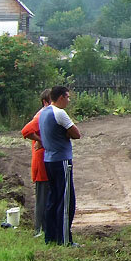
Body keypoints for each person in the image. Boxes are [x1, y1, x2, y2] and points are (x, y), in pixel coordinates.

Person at [40, 85, 82, 246]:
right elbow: (76, 134)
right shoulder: (60, 113)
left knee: (53, 199)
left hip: (48, 160)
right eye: (68, 97)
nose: (69, 100)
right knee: (66, 201)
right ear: (61, 97)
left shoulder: (43, 112)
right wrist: (66, 134)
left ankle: (50, 236)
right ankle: (64, 239)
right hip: (62, 160)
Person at [21, 88, 52, 237]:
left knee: (47, 196)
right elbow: (26, 131)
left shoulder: (49, 114)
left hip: (47, 160)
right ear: (45, 102)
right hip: (41, 162)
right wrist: (43, 141)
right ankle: (39, 230)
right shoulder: (41, 115)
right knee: (42, 197)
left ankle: (46, 228)